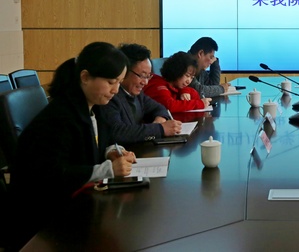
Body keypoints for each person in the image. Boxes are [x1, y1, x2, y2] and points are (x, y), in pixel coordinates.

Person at [9, 42, 136, 249]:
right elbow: (52, 175)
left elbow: (99, 140)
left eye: (119, 82)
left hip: (75, 205)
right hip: (45, 221)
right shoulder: (59, 117)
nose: (116, 90)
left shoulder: (94, 106)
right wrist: (107, 169)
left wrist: (111, 151)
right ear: (85, 77)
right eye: (111, 82)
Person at [100, 43, 182, 144]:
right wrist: (160, 129)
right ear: (124, 71)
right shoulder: (110, 96)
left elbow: (160, 108)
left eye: (148, 76)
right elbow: (118, 132)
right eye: (142, 76)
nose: (145, 82)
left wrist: (160, 119)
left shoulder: (138, 94)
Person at [144, 51, 212, 112]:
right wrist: (200, 104)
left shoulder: (176, 87)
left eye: (192, 78)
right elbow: (170, 106)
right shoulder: (157, 85)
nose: (189, 81)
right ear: (176, 71)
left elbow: (195, 95)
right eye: (187, 75)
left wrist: (185, 90)